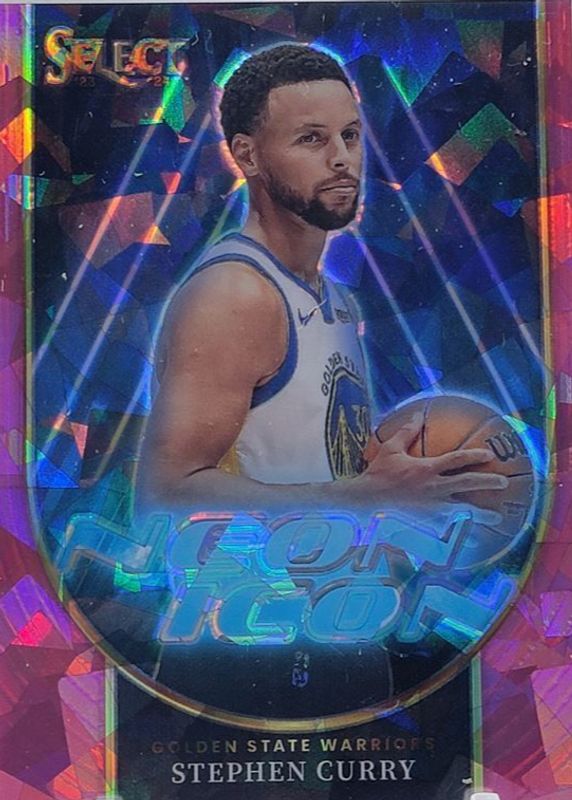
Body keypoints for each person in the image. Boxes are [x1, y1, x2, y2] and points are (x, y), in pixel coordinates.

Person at [136, 44, 507, 519]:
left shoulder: (334, 300)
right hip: (242, 570)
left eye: (349, 135)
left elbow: (317, 468)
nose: (342, 158)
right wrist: (366, 497)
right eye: (311, 139)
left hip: (318, 565)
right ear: (247, 155)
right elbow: (164, 495)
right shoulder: (235, 295)